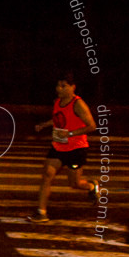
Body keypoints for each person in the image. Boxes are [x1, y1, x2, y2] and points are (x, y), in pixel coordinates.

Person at [29, 73, 100, 222]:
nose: (59, 89)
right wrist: (44, 125)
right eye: (58, 85)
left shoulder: (78, 104)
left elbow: (92, 126)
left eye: (63, 86)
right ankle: (41, 212)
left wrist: (71, 134)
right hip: (58, 146)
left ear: (73, 87)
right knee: (47, 175)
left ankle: (91, 186)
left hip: (76, 149)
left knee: (75, 184)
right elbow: (58, 118)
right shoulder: (57, 101)